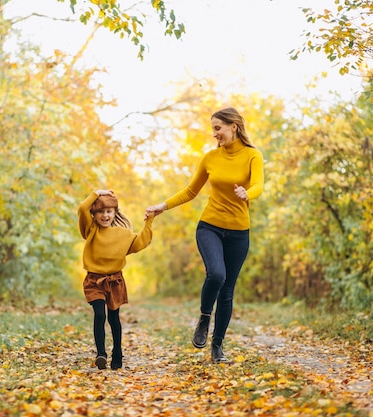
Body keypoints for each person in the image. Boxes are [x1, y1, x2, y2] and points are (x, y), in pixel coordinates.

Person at [146, 107, 264, 364]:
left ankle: (217, 346)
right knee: (217, 275)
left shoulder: (253, 156)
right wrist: (162, 206)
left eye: (218, 128)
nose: (214, 134)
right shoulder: (210, 158)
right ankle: (203, 317)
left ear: (234, 126)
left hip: (238, 232)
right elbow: (190, 191)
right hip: (209, 226)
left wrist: (248, 194)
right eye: (213, 129)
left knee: (228, 291)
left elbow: (259, 184)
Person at [78, 189, 154, 370]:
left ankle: (117, 353)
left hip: (115, 281)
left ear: (115, 213)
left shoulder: (123, 234)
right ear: (94, 215)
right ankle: (101, 354)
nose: (105, 215)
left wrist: (150, 220)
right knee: (99, 314)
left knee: (114, 318)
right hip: (94, 281)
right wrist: (97, 192)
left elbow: (141, 241)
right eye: (100, 212)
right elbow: (82, 208)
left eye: (109, 211)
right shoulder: (90, 230)